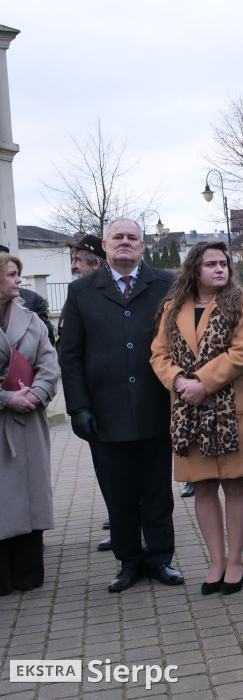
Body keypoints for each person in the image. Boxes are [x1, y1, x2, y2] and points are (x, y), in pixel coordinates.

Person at [59, 218, 182, 593]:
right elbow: (72, 356)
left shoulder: (166, 284)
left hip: (156, 406)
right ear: (106, 246)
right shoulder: (81, 291)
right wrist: (78, 408)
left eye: (132, 238)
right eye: (118, 238)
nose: (125, 243)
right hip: (106, 412)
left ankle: (160, 558)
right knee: (120, 492)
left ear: (143, 246)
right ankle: (129, 561)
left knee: (157, 490)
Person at [150, 241, 243, 596]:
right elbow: (158, 355)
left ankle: (235, 560)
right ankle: (215, 561)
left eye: (224, 263)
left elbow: (241, 354)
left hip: (232, 411)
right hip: (188, 414)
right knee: (204, 486)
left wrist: (202, 384)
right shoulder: (171, 308)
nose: (220, 269)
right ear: (195, 269)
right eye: (211, 264)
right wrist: (179, 382)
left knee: (235, 483)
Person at [0, 253, 58, 595]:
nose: (18, 280)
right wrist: (7, 399)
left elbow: (49, 363)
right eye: (10, 274)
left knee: (29, 495)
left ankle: (28, 572)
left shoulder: (31, 319)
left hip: (27, 424)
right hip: (5, 416)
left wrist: (35, 394)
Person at [59, 234, 111, 549]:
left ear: (95, 262)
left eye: (78, 260)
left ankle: (134, 520)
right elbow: (68, 348)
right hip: (93, 397)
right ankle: (120, 518)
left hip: (118, 395)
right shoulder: (76, 295)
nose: (74, 266)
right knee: (102, 463)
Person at [0, 245, 56, 348]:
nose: (19, 280)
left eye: (16, 274)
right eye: (11, 274)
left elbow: (47, 345)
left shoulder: (32, 301)